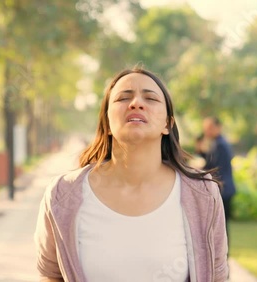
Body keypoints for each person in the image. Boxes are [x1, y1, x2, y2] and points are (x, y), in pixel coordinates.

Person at [34, 67, 229, 282]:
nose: (136, 103)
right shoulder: (63, 195)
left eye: (151, 98)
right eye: (123, 98)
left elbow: (217, 275)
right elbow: (50, 276)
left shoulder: (202, 194)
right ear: (107, 123)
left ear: (167, 124)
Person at [195, 117, 236, 246]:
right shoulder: (217, 143)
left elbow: (214, 167)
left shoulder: (220, 145)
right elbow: (210, 160)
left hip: (223, 190)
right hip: (223, 188)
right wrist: (201, 150)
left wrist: (197, 170)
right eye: (206, 128)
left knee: (221, 226)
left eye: (210, 128)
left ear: (219, 128)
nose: (207, 131)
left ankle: (223, 257)